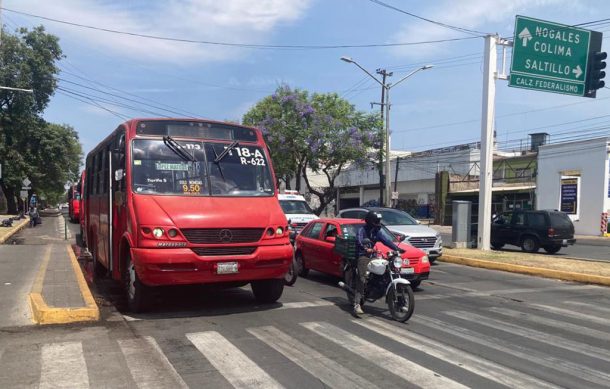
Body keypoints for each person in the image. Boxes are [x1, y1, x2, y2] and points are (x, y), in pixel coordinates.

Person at [352, 211, 404, 317]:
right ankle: (357, 304)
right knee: (362, 278)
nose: (378, 222)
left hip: (373, 255)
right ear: (370, 221)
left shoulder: (377, 231)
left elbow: (386, 241)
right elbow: (359, 241)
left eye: (379, 220)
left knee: (385, 267)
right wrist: (365, 248)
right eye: (376, 220)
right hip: (363, 256)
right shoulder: (362, 230)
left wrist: (397, 248)